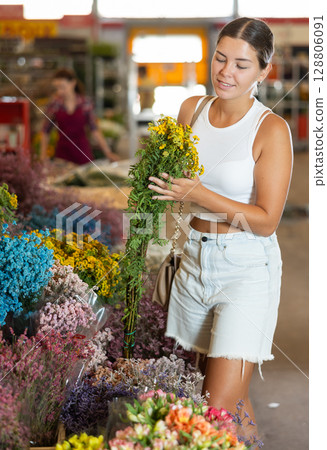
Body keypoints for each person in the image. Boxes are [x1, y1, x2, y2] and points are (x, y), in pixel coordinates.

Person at [147, 17, 293, 437]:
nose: (226, 72)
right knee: (231, 400)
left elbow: (265, 221)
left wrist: (197, 193)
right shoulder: (191, 110)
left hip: (246, 270)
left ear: (265, 71)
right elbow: (170, 179)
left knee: (215, 409)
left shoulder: (271, 130)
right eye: (220, 58)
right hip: (195, 261)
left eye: (242, 65)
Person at [40, 68, 120, 165]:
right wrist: (43, 156)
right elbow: (45, 131)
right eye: (57, 88)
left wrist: (108, 153)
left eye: (62, 87)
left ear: (73, 83)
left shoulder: (85, 103)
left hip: (83, 154)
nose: (60, 91)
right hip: (62, 155)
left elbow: (95, 129)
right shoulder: (55, 105)